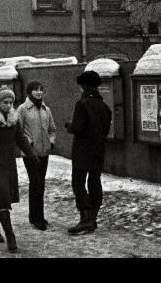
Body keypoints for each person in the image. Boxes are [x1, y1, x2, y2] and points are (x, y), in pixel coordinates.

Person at [0, 89, 39, 253]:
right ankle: (11, 237)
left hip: (8, 165)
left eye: (11, 102)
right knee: (3, 198)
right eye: (5, 102)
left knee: (3, 198)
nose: (8, 105)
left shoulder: (13, 119)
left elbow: (20, 138)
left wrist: (32, 155)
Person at [65, 70, 112, 235]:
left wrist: (68, 125)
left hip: (82, 150)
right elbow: (105, 129)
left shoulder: (82, 104)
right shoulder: (104, 106)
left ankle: (85, 218)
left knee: (78, 183)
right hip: (98, 150)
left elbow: (77, 127)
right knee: (95, 182)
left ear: (84, 86)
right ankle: (93, 217)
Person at [16, 80, 57, 231]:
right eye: (35, 90)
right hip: (30, 154)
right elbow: (18, 131)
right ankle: (35, 218)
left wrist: (51, 142)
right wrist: (29, 144)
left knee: (41, 184)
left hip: (44, 152)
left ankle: (39, 216)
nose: (39, 92)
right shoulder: (23, 109)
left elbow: (53, 129)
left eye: (41, 89)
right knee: (35, 184)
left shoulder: (47, 110)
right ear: (29, 92)